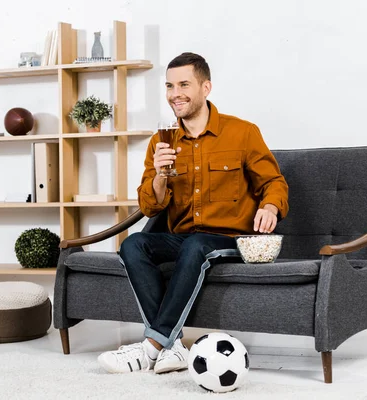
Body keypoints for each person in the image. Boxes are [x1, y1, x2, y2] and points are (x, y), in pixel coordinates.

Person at [98, 52, 289, 374]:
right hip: (185, 238)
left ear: (206, 87)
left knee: (197, 244)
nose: (175, 94)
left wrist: (269, 206)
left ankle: (152, 346)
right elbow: (149, 207)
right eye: (170, 86)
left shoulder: (242, 133)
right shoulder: (163, 142)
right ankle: (172, 347)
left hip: (230, 238)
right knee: (134, 244)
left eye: (184, 84)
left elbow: (273, 181)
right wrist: (159, 174)